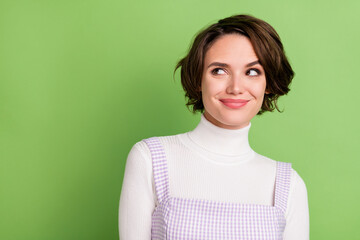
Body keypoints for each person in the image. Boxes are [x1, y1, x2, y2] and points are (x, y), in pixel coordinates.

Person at [119, 14, 309, 240]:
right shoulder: (150, 158)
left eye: (252, 71)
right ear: (199, 79)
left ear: (268, 84)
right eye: (219, 70)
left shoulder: (287, 184)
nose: (236, 87)